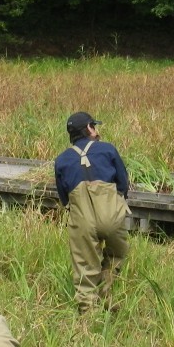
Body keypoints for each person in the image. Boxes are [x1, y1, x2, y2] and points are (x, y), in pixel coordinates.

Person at [53, 111, 130, 313]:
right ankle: (108, 296)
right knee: (117, 254)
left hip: (82, 218)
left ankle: (88, 313)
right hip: (111, 215)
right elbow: (123, 183)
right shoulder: (107, 150)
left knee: (85, 266)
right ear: (89, 128)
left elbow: (64, 198)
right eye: (94, 126)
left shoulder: (61, 160)